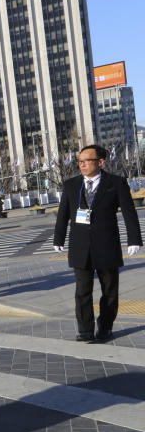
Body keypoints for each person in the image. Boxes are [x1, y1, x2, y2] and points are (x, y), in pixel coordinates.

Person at [53, 144, 142, 342]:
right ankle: (85, 330)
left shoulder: (116, 183)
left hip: (107, 245)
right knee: (82, 291)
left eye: (86, 161)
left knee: (109, 291)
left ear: (100, 162)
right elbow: (63, 214)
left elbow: (129, 212)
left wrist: (134, 239)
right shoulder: (71, 185)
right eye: (80, 161)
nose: (82, 165)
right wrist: (58, 238)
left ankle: (105, 327)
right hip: (80, 246)